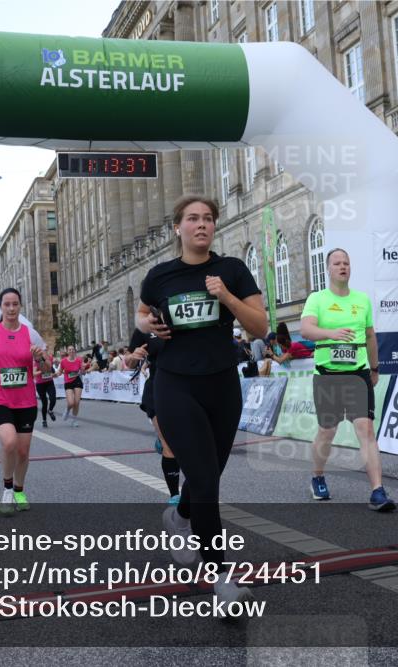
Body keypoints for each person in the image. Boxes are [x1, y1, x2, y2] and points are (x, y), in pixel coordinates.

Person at [137, 195, 267, 606]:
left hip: (222, 384)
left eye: (208, 218)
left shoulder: (231, 270)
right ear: (178, 227)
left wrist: (226, 297)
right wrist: (149, 325)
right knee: (207, 480)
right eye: (193, 219)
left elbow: (260, 325)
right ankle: (222, 578)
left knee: (208, 474)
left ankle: (180, 516)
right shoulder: (160, 276)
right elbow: (141, 315)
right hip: (175, 385)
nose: (201, 225)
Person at [300, 248, 396, 512]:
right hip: (328, 375)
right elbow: (306, 329)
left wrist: (375, 368)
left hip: (358, 374)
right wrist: (332, 333)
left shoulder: (362, 300)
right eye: (337, 263)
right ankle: (317, 476)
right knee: (327, 431)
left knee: (365, 429)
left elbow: (370, 337)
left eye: (346, 263)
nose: (343, 267)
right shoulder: (317, 299)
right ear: (328, 269)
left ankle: (377, 491)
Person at [0, 287, 52, 515]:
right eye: (7, 304)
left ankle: (19, 490)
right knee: (9, 442)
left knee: (23, 452)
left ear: (20, 306)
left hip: (25, 400)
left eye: (15, 304)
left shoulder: (31, 334)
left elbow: (47, 368)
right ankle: (6, 489)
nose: (11, 308)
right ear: (1, 307)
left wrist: (40, 358)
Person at [125, 327, 182, 505]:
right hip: (157, 388)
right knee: (170, 445)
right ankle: (175, 495)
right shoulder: (145, 328)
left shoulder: (184, 318)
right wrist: (134, 356)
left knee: (185, 443)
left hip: (185, 389)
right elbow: (129, 361)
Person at [59, 345, 86, 428]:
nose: (71, 351)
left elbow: (83, 372)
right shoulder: (63, 361)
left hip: (77, 381)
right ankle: (67, 410)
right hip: (68, 382)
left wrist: (82, 370)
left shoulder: (79, 360)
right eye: (69, 350)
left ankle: (74, 420)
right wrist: (54, 374)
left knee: (77, 402)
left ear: (75, 351)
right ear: (67, 352)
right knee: (71, 403)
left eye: (72, 349)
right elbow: (60, 371)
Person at [34, 350, 59, 428]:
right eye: (36, 356)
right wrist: (41, 371)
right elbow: (34, 373)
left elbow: (51, 369)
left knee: (53, 398)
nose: (38, 357)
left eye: (40, 355)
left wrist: (54, 374)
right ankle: (44, 420)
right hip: (40, 384)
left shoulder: (47, 360)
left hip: (49, 382)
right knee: (44, 403)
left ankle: (50, 410)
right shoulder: (35, 363)